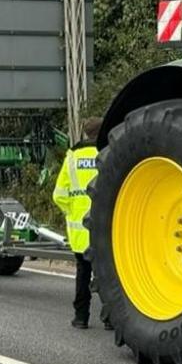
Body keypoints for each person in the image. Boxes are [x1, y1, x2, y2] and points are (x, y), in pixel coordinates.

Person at [53, 119, 107, 330]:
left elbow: (58, 195)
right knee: (106, 275)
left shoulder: (72, 157)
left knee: (83, 274)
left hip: (79, 231)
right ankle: (110, 318)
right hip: (104, 227)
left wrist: (72, 212)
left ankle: (81, 317)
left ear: (85, 133)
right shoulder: (108, 153)